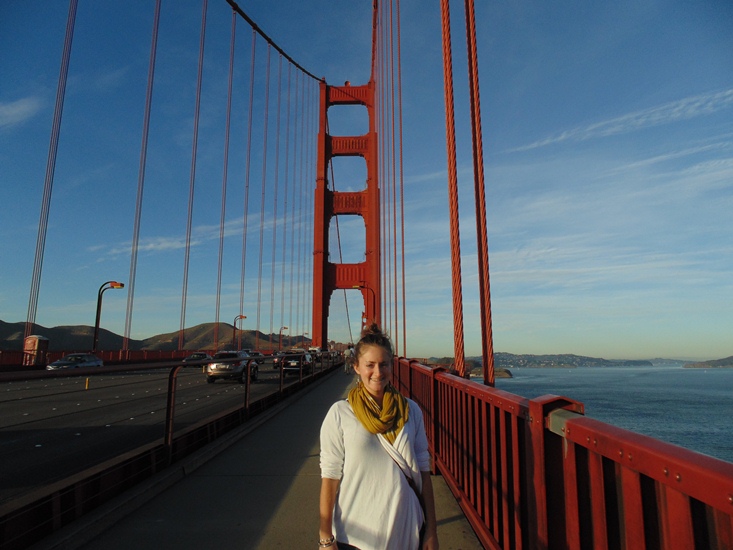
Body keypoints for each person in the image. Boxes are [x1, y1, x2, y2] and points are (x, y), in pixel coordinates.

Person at [318, 324, 439, 550]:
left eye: (384, 365)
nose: (378, 372)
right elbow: (330, 477)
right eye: (370, 365)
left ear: (392, 366)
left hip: (407, 531)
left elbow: (424, 473)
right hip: (354, 537)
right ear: (356, 367)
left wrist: (431, 530)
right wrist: (325, 537)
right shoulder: (340, 413)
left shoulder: (411, 411)